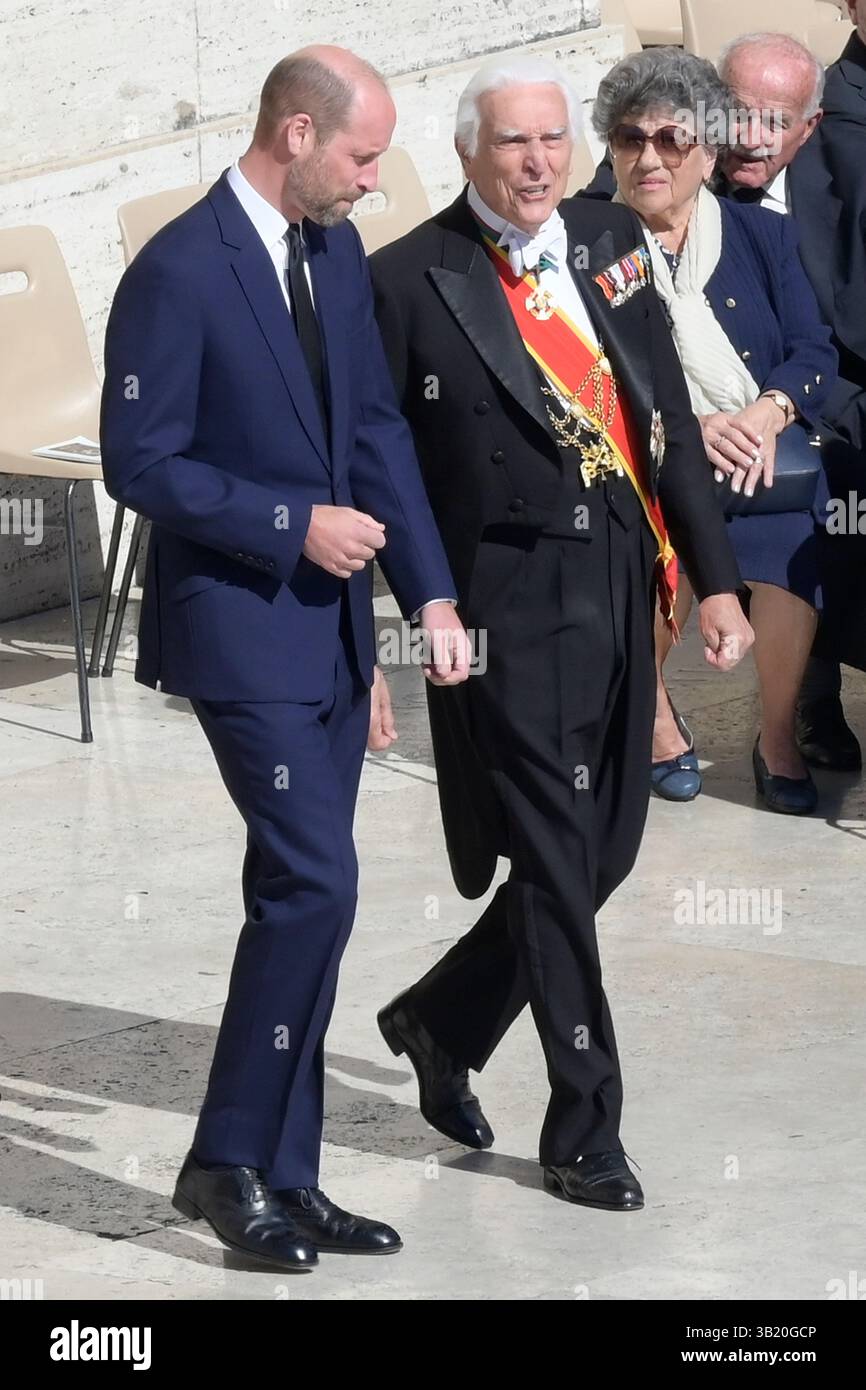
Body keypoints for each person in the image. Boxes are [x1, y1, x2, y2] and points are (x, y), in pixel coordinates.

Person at [100, 46, 468, 1272]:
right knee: (317, 884)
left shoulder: (334, 254)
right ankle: (222, 1161)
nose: (376, 179)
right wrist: (283, 522)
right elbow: (139, 464)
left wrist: (426, 597)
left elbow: (370, 432)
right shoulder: (177, 270)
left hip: (331, 630)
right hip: (237, 627)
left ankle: (285, 1175)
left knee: (301, 897)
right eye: (363, 156)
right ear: (297, 135)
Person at [368, 55, 752, 1211]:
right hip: (505, 607)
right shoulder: (406, 279)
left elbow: (667, 422)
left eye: (550, 142)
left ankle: (440, 1018)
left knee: (602, 849)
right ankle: (584, 1126)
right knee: (550, 852)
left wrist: (720, 583)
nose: (536, 164)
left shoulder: (608, 242)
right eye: (510, 144)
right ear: (466, 153)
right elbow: (377, 469)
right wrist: (414, 607)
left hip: (621, 579)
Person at [590, 47, 838, 812]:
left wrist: (767, 412)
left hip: (756, 454)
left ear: (706, 149)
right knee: (656, 532)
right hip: (647, 460)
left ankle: (775, 737)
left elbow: (815, 350)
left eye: (672, 140)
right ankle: (655, 718)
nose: (650, 157)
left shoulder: (762, 235)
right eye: (631, 139)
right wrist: (690, 428)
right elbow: (579, 383)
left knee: (793, 534)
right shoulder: (585, 249)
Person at [717, 30, 866, 770]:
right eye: (735, 112)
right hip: (733, 403)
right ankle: (810, 697)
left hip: (835, 367)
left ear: (806, 129)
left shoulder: (833, 160)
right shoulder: (675, 170)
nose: (750, 138)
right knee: (814, 481)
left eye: (774, 121)